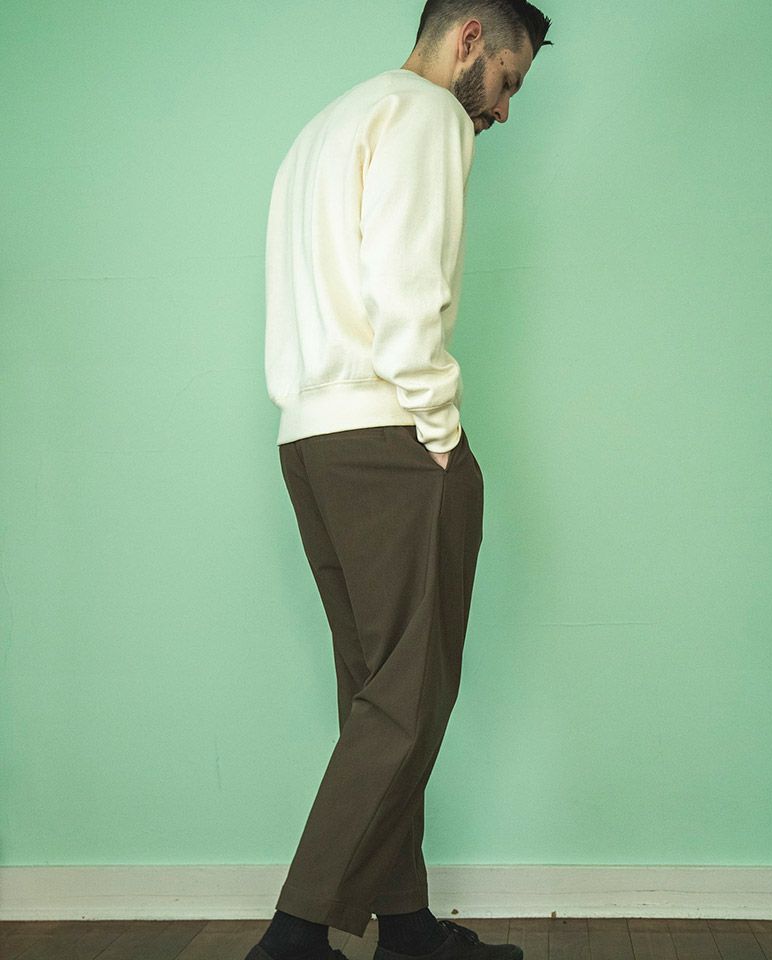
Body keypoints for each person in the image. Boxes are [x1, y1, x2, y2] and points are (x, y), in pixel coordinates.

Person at [249, 3, 552, 960]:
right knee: (408, 698)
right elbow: (404, 285)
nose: (503, 109)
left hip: (310, 441)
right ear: (469, 37)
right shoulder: (424, 115)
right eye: (507, 80)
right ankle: (294, 936)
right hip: (390, 437)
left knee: (376, 697)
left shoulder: (324, 128)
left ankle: (408, 925)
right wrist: (441, 428)